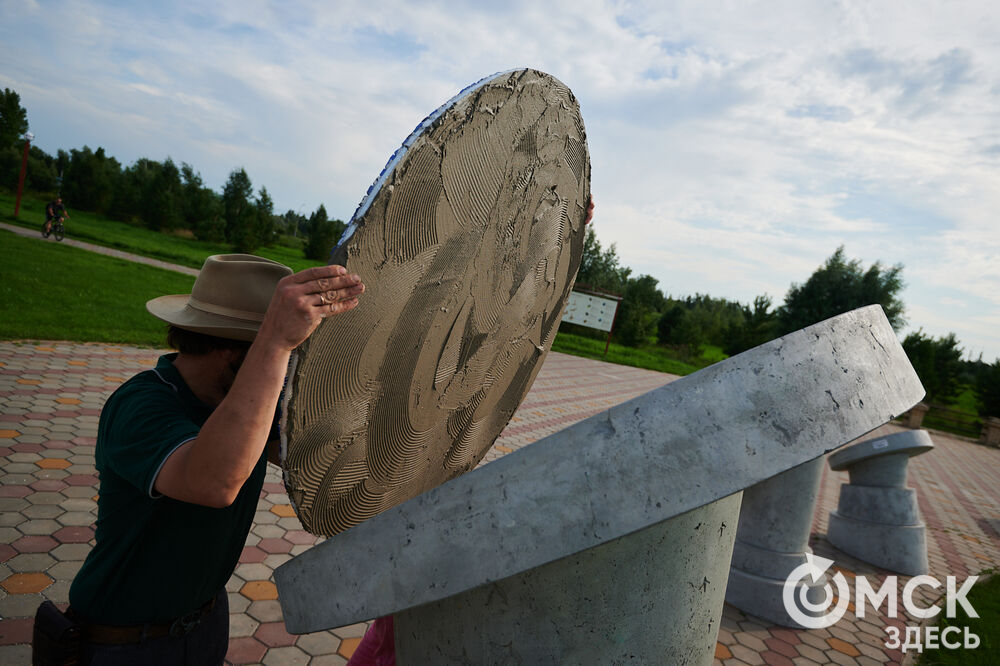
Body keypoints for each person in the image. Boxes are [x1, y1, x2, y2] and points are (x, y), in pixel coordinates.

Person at [37, 254, 364, 665]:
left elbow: (319, 454)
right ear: (235, 353)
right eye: (284, 360)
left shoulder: (237, 399)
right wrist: (276, 341)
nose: (287, 375)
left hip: (206, 623)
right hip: (127, 642)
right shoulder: (140, 405)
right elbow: (214, 482)